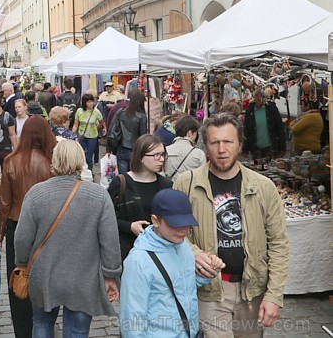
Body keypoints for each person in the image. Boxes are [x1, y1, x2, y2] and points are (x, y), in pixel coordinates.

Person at [174, 113, 289, 337]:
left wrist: (274, 295)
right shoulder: (186, 184)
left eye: (228, 141)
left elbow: (278, 243)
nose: (221, 149)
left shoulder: (263, 187)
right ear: (205, 145)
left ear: (240, 144)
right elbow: (170, 234)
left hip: (252, 291)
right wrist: (193, 252)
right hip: (209, 291)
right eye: (214, 142)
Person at [14, 140, 121, 337]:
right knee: (77, 331)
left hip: (44, 274)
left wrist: (21, 262)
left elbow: (21, 238)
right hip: (83, 277)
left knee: (42, 323)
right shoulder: (99, 195)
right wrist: (111, 273)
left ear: (54, 160)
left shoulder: (36, 194)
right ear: (81, 161)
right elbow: (110, 241)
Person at [119, 189, 225, 338]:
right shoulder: (138, 261)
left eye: (187, 223)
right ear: (155, 220)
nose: (183, 230)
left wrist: (207, 273)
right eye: (175, 224)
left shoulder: (183, 246)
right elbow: (132, 321)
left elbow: (183, 286)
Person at [0, 116, 58, 338]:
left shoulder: (11, 161)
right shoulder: (52, 160)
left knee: (18, 279)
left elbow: (4, 203)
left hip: (17, 226)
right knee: (46, 278)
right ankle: (44, 323)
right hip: (48, 228)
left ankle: (23, 331)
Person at [109, 134, 172, 260]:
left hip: (160, 252)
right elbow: (106, 218)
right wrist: (129, 226)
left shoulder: (166, 184)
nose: (161, 159)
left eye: (163, 154)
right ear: (141, 157)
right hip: (127, 252)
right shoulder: (121, 183)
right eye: (156, 155)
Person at [108, 91, 148, 175]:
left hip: (121, 147)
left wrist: (110, 148)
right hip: (135, 151)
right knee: (134, 176)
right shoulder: (142, 116)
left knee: (123, 177)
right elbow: (143, 136)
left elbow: (112, 129)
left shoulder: (121, 112)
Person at [242, 89, 286, 160]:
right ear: (253, 97)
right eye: (256, 96)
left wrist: (283, 147)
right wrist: (245, 149)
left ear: (265, 97)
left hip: (271, 147)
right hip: (256, 149)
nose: (259, 98)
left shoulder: (272, 108)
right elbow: (246, 131)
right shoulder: (250, 111)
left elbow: (280, 128)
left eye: (261, 96)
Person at [165, 115, 207, 180]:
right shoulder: (199, 154)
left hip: (169, 188)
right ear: (189, 133)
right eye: (196, 133)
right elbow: (202, 178)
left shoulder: (166, 151)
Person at [72, 93, 104, 171]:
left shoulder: (96, 112)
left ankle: (89, 172)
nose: (91, 103)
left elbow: (101, 122)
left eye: (92, 101)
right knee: (81, 155)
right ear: (84, 102)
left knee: (89, 157)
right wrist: (72, 134)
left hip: (92, 136)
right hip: (81, 135)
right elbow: (76, 124)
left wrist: (96, 128)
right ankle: (81, 171)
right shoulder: (79, 111)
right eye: (88, 102)